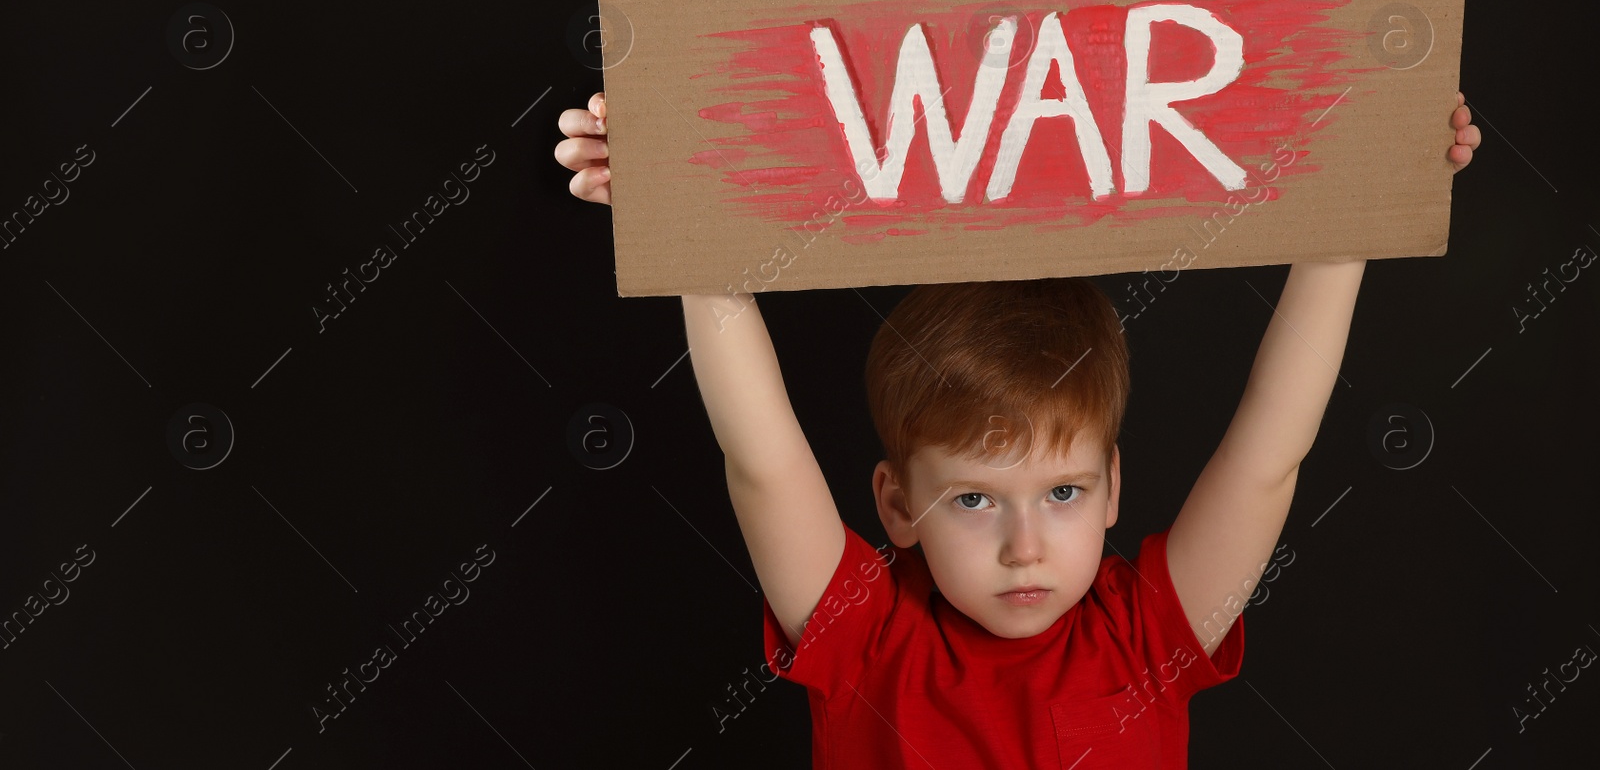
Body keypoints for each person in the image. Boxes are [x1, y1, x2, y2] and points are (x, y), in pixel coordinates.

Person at [554, 90, 1480, 768]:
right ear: (898, 502)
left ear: (1113, 486)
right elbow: (761, 459)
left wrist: (1355, 217)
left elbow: (1268, 457)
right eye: (972, 499)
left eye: (1063, 491)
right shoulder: (869, 637)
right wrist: (678, 228)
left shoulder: (1146, 635)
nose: (1024, 545)